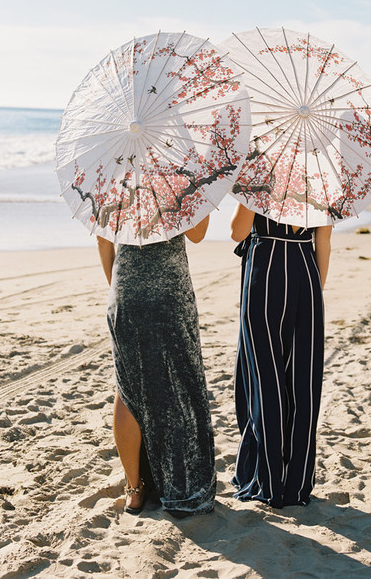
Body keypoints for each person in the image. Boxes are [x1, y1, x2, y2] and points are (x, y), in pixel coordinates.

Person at [97, 215, 215, 518]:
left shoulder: (113, 174)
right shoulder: (178, 175)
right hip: (169, 292)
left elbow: (103, 239)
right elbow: (198, 233)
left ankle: (134, 491)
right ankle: (180, 485)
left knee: (128, 389)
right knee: (178, 387)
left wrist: (123, 286)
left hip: (126, 289)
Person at [230, 203, 332, 508]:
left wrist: (249, 194)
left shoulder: (260, 174)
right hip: (306, 272)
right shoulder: (320, 175)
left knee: (265, 378)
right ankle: (296, 482)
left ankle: (268, 479)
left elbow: (237, 232)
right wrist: (313, 289)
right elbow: (323, 243)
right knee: (303, 379)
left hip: (265, 271)